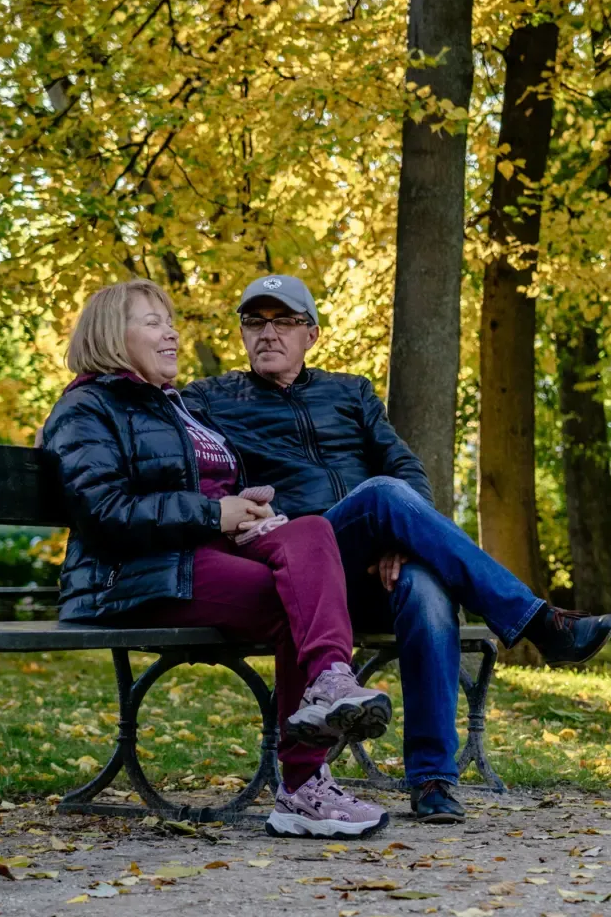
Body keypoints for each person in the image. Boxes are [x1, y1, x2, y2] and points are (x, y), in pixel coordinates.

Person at [184, 274, 611, 824]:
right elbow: (204, 478)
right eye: (255, 322)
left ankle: (433, 780)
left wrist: (400, 541)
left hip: (367, 565)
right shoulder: (211, 399)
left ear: (311, 335)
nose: (267, 333)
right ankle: (537, 623)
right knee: (383, 496)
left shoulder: (350, 392)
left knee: (425, 587)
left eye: (284, 321)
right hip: (304, 564)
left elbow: (406, 468)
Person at [42, 278, 391, 840]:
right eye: (153, 321)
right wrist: (215, 516)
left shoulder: (176, 406)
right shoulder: (87, 408)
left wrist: (245, 506)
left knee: (311, 533)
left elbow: (210, 485)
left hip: (205, 550)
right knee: (290, 600)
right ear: (112, 334)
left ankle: (331, 678)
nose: (172, 332)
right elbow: (103, 511)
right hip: (134, 575)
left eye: (170, 320)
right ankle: (304, 788)